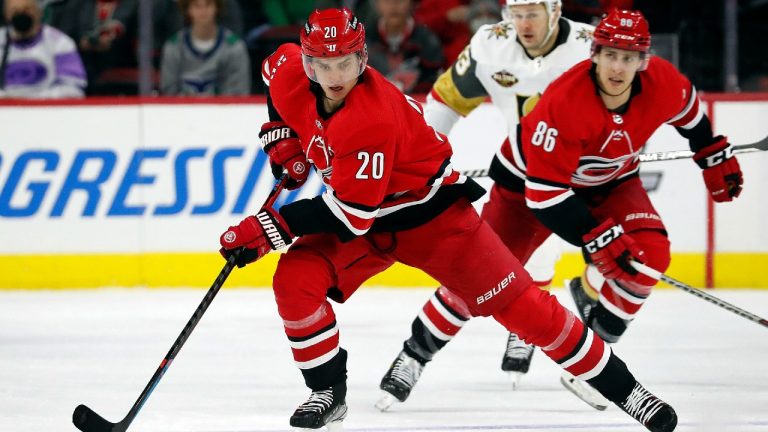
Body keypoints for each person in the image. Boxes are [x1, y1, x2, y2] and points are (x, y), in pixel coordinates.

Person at [218, 7, 677, 432]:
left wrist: (269, 228)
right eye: (323, 64)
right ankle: (326, 391)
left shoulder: (370, 118)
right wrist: (279, 135)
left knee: (525, 311)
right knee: (295, 279)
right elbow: (274, 73)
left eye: (345, 63)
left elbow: (350, 217)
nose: (335, 76)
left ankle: (628, 391)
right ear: (308, 66)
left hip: (432, 220)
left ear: (362, 60)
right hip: (366, 217)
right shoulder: (289, 70)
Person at [393, 3, 745, 417]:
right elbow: (545, 195)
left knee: (649, 255)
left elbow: (691, 113)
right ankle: (415, 353)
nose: (618, 67)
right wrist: (597, 236)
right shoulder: (561, 97)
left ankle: (594, 361)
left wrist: (710, 152)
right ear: (594, 56)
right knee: (480, 279)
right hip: (528, 185)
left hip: (607, 181)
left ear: (644, 62)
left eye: (629, 58)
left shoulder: (658, 80)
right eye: (610, 56)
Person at [377, 0, 595, 405]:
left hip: (578, 180)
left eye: (534, 13)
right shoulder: (490, 45)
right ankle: (414, 355)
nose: (523, 23)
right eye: (517, 12)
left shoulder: (589, 47)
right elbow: (444, 100)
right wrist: (421, 161)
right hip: (522, 176)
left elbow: (627, 105)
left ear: (556, 10)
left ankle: (552, 320)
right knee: (477, 273)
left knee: (621, 253)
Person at [160, 0, 250, 96]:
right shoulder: (173, 47)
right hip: (182, 110)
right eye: (197, 5)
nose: (203, 10)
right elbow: (168, 93)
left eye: (208, 4)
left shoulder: (234, 48)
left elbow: (239, 94)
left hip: (224, 110)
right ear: (188, 9)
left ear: (217, 7)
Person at [0, 0, 86, 98]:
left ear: (40, 12)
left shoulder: (60, 43)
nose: (21, 14)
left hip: (49, 110)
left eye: (27, 9)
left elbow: (73, 89)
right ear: (6, 14)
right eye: (14, 11)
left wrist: (32, 101)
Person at [366, 0, 443, 93]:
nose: (393, 6)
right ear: (376, 4)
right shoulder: (365, 38)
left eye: (400, 1)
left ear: (412, 3)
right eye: (386, 1)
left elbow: (435, 79)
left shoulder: (427, 40)